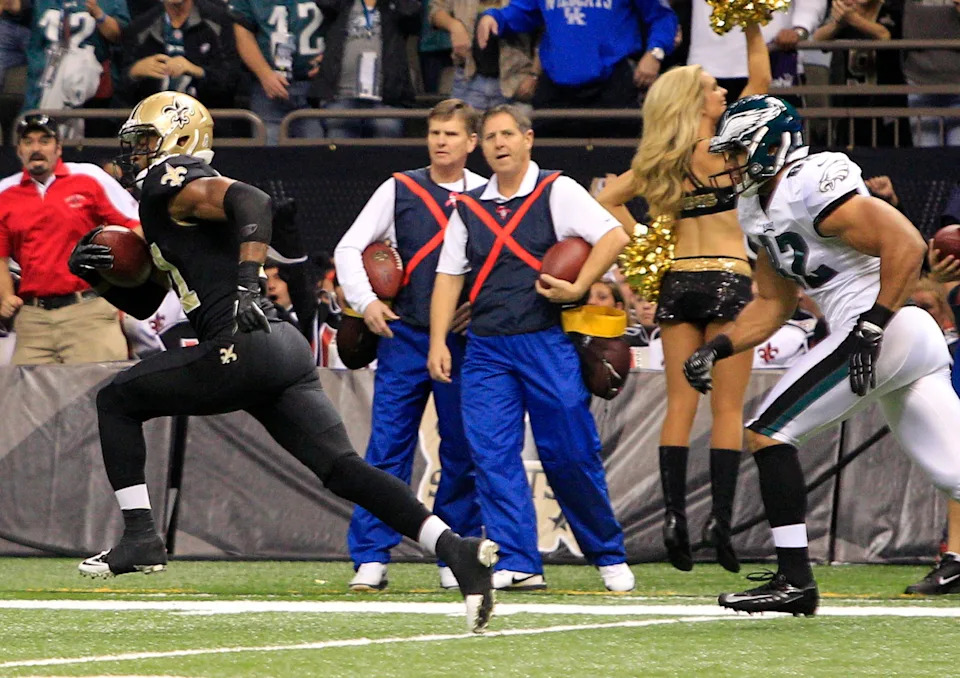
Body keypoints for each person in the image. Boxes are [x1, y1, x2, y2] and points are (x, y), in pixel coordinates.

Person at [66, 91, 499, 634]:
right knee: (343, 469)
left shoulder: (170, 178)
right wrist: (101, 276)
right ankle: (455, 550)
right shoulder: (169, 208)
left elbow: (253, 201)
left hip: (242, 342)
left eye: (146, 141)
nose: (136, 155)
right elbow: (151, 300)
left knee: (115, 400)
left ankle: (140, 536)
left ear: (178, 141)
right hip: (279, 346)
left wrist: (248, 284)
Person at [683, 94, 960, 615]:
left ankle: (795, 580)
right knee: (956, 473)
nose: (733, 164)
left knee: (768, 430)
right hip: (899, 337)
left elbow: (905, 242)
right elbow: (772, 303)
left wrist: (871, 326)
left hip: (884, 328)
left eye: (741, 151)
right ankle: (794, 582)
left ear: (770, 144)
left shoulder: (810, 181)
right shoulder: (755, 208)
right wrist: (717, 347)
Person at [428, 104, 634, 592]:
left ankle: (607, 553)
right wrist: (438, 340)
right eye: (491, 136)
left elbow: (615, 235)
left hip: (546, 342)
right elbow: (448, 276)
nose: (499, 143)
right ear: (480, 146)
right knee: (492, 455)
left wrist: (578, 285)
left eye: (508, 134)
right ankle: (518, 560)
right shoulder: (469, 207)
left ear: (528, 139)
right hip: (485, 349)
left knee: (570, 453)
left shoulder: (557, 190)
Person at [595, 21, 771, 575]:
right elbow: (762, 81)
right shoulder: (730, 149)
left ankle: (674, 519)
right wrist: (751, 25)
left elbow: (606, 199)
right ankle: (720, 523)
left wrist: (647, 242)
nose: (725, 91)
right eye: (716, 87)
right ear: (698, 100)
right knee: (726, 408)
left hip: (678, 281)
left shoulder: (662, 158)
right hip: (730, 280)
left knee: (679, 405)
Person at [334, 98, 487, 591]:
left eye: (451, 134)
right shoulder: (399, 187)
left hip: (463, 342)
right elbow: (349, 247)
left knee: (461, 449)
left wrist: (480, 308)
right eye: (434, 132)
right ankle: (371, 557)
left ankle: (453, 553)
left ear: (471, 142)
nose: (441, 141)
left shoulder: (487, 194)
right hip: (403, 335)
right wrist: (366, 301)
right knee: (387, 449)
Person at [0, 114, 136, 365]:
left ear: (59, 147)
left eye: (44, 141)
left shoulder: (89, 179)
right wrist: (6, 295)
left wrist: (131, 287)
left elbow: (133, 229)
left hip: (88, 311)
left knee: (97, 397)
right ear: (18, 150)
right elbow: (1, 255)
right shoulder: (5, 194)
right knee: (28, 403)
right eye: (28, 142)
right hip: (33, 320)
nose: (36, 149)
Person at [475, 0, 677, 137]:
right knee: (552, 160)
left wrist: (655, 52)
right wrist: (495, 17)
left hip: (611, 84)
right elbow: (522, 11)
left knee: (615, 161)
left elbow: (662, 16)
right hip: (556, 87)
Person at [313, 0, 420, 139]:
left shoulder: (394, 6)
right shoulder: (341, 5)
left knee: (386, 152)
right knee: (339, 154)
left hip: (386, 98)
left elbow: (412, 13)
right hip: (342, 95)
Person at [230, 0, 325, 145]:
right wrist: (264, 74)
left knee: (317, 157)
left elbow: (344, 20)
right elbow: (243, 33)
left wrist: (330, 58)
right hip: (267, 90)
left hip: (314, 88)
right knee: (269, 157)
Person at [118, 0, 241, 109]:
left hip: (209, 118)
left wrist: (197, 71)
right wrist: (134, 72)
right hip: (154, 120)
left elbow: (231, 80)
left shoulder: (219, 22)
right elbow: (122, 87)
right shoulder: (140, 27)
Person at [429, 0, 537, 112]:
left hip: (515, 80)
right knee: (460, 126)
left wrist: (534, 74)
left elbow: (546, 29)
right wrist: (454, 26)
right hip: (467, 77)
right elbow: (435, 10)